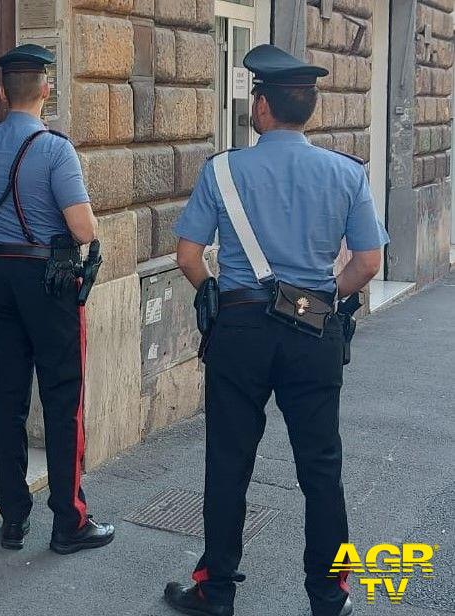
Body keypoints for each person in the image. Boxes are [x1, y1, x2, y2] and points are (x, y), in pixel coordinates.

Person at [164, 44, 389, 616]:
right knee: (321, 469)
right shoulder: (346, 173)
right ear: (307, 108)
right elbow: (367, 263)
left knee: (228, 465)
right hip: (312, 329)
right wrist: (321, 300)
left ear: (260, 107)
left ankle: (215, 593)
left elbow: (189, 254)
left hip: (238, 330)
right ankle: (327, 596)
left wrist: (211, 292)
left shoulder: (221, 170)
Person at [0, 43, 114, 555]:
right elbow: (82, 226)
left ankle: (12, 517)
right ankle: (69, 521)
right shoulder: (55, 149)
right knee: (62, 397)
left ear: (1, 91)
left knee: (7, 397)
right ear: (45, 90)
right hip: (46, 281)